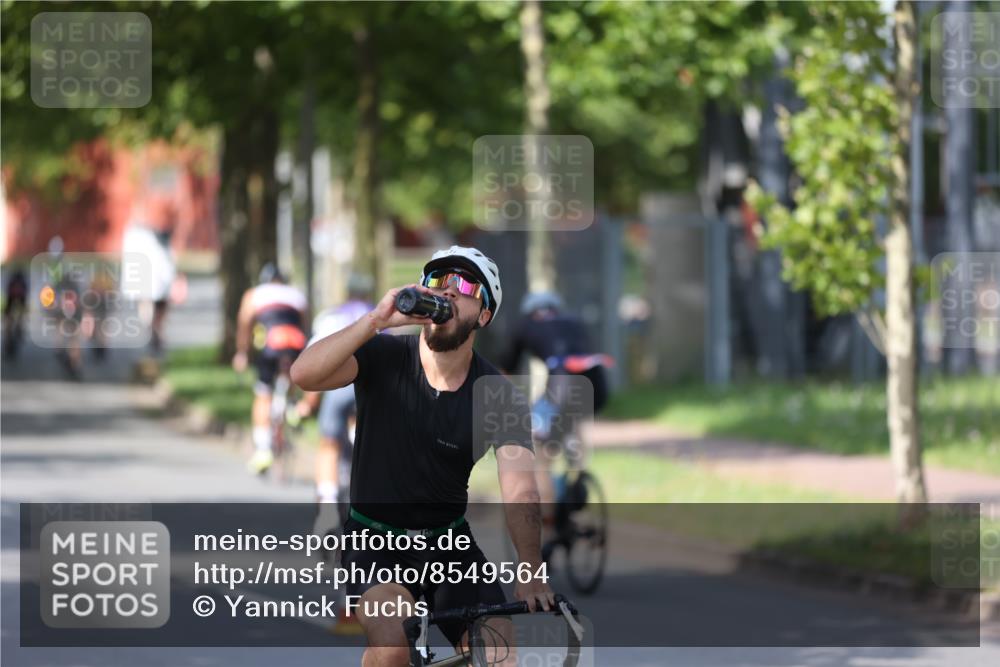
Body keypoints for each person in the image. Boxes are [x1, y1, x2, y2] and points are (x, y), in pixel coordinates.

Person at [292, 246, 553, 667]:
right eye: (438, 281)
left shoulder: (499, 396)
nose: (448, 291)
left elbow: (521, 488)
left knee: (500, 656)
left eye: (464, 285)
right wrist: (375, 321)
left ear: (484, 315)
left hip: (451, 546)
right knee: (393, 649)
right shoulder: (384, 355)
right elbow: (303, 375)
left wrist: (531, 570)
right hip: (375, 541)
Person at [499, 291, 611, 538]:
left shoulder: (525, 326)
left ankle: (548, 523)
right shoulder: (574, 321)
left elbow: (507, 370)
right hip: (597, 385)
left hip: (563, 385)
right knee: (572, 423)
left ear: (530, 312)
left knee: (540, 456)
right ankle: (577, 481)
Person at [232, 263, 308, 474]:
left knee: (263, 394)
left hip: (271, 344)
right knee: (290, 375)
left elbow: (244, 324)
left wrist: (242, 352)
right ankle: (291, 407)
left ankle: (263, 449)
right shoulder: (297, 294)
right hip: (295, 342)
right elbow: (304, 325)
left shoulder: (254, 294)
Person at [3, 268, 28, 360]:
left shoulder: (12, 282)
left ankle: (11, 331)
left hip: (12, 299)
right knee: (19, 317)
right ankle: (19, 329)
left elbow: (8, 293)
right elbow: (25, 294)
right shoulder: (23, 282)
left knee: (9, 320)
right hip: (19, 299)